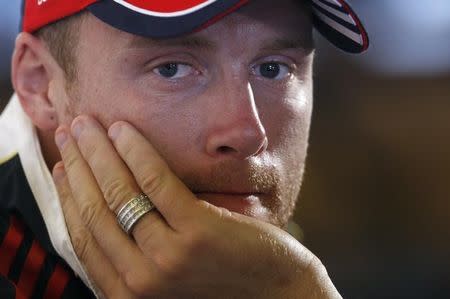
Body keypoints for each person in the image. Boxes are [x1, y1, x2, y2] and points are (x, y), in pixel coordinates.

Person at [0, 0, 369, 298]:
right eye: (172, 69)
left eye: (273, 69)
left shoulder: (258, 253)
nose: (247, 134)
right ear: (41, 83)